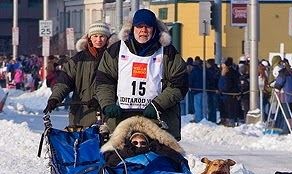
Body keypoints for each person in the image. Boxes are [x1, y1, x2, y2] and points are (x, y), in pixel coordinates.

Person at [95, 9, 188, 140]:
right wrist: (107, 104)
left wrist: (157, 105)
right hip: (121, 118)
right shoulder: (116, 50)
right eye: (139, 26)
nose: (143, 31)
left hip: (158, 119)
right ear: (133, 28)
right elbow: (104, 81)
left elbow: (180, 84)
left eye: (147, 27)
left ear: (154, 29)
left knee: (159, 159)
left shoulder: (168, 52)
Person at [44, 21, 113, 127]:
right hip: (82, 113)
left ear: (107, 38)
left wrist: (98, 99)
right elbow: (64, 81)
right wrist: (55, 98)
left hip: (107, 113)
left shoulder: (113, 58)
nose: (98, 40)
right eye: (95, 36)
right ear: (89, 38)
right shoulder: (78, 60)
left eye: (102, 36)